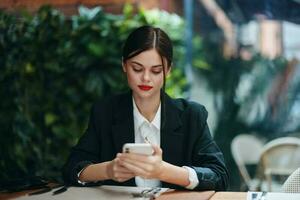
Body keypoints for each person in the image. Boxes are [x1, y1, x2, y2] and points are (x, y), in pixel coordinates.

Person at [63, 25, 228, 191]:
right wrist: (107, 170)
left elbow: (219, 177)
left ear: (168, 70)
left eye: (156, 71)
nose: (146, 78)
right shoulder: (105, 112)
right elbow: (72, 169)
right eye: (137, 68)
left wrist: (165, 171)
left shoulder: (192, 116)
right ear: (124, 65)